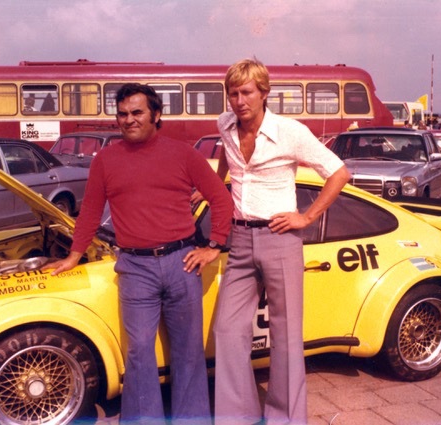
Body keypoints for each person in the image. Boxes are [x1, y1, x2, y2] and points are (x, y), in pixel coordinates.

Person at [48, 83, 233, 423]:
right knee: (139, 353)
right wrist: (74, 254)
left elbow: (221, 198)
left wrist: (213, 246)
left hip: (183, 264)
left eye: (137, 112)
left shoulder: (183, 154)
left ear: (156, 115)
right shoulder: (105, 159)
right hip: (135, 267)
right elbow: (90, 210)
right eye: (122, 114)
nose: (128, 120)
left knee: (189, 354)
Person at [212, 59, 351, 424]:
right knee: (227, 330)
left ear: (264, 93)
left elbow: (339, 173)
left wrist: (306, 217)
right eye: (233, 93)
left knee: (286, 335)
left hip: (281, 239)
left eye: (246, 92)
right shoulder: (224, 125)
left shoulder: (290, 132)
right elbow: (227, 156)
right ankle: (237, 417)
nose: (239, 101)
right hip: (240, 239)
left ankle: (285, 419)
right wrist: (215, 185)